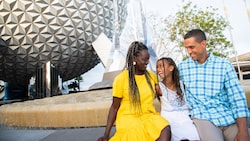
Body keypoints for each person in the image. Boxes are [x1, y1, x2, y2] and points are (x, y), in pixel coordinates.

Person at [178, 29, 250, 141]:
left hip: (227, 117)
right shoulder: (182, 68)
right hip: (203, 117)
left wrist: (243, 131)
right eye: (187, 48)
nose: (189, 51)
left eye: (191, 47)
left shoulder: (224, 65)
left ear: (203, 44)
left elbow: (237, 98)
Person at [97, 41, 171, 141]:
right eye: (144, 59)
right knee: (136, 132)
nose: (147, 62)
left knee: (165, 128)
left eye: (148, 59)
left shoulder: (152, 76)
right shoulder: (121, 79)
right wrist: (106, 135)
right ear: (134, 58)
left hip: (148, 116)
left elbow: (163, 96)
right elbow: (114, 107)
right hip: (128, 118)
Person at [156, 57, 200, 141]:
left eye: (161, 66)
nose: (158, 69)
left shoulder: (181, 84)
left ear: (171, 68)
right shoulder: (158, 87)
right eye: (157, 67)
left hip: (185, 118)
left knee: (194, 137)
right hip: (170, 119)